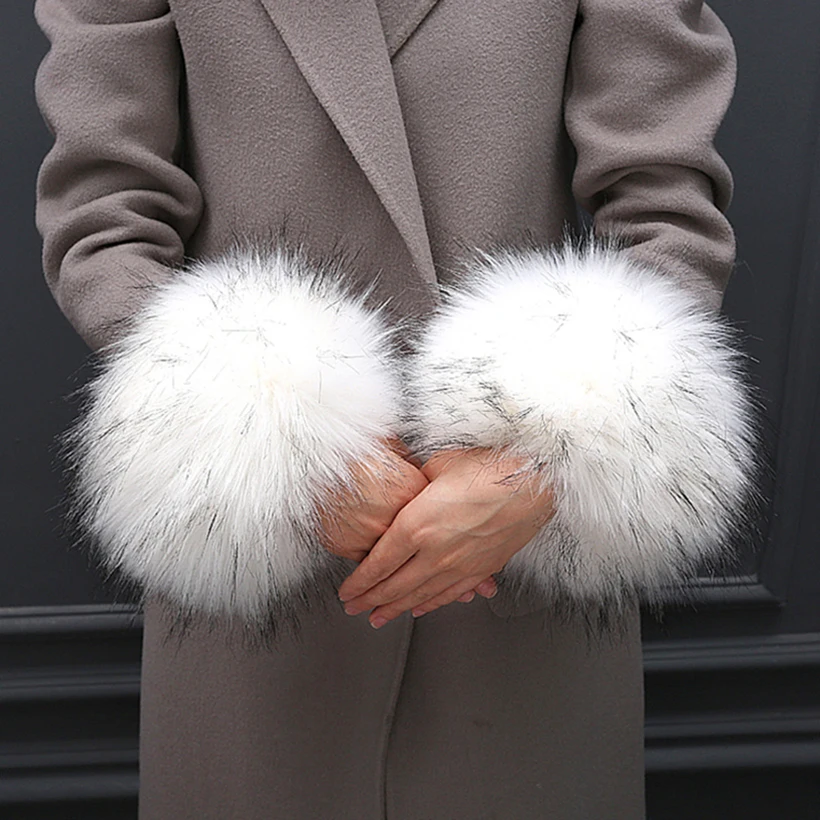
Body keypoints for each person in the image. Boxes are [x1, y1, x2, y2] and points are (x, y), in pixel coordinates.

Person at [34, 1, 756, 817]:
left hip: (517, 563)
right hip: (261, 566)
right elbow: (104, 219)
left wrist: (549, 456)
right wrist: (278, 446)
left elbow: (667, 216)